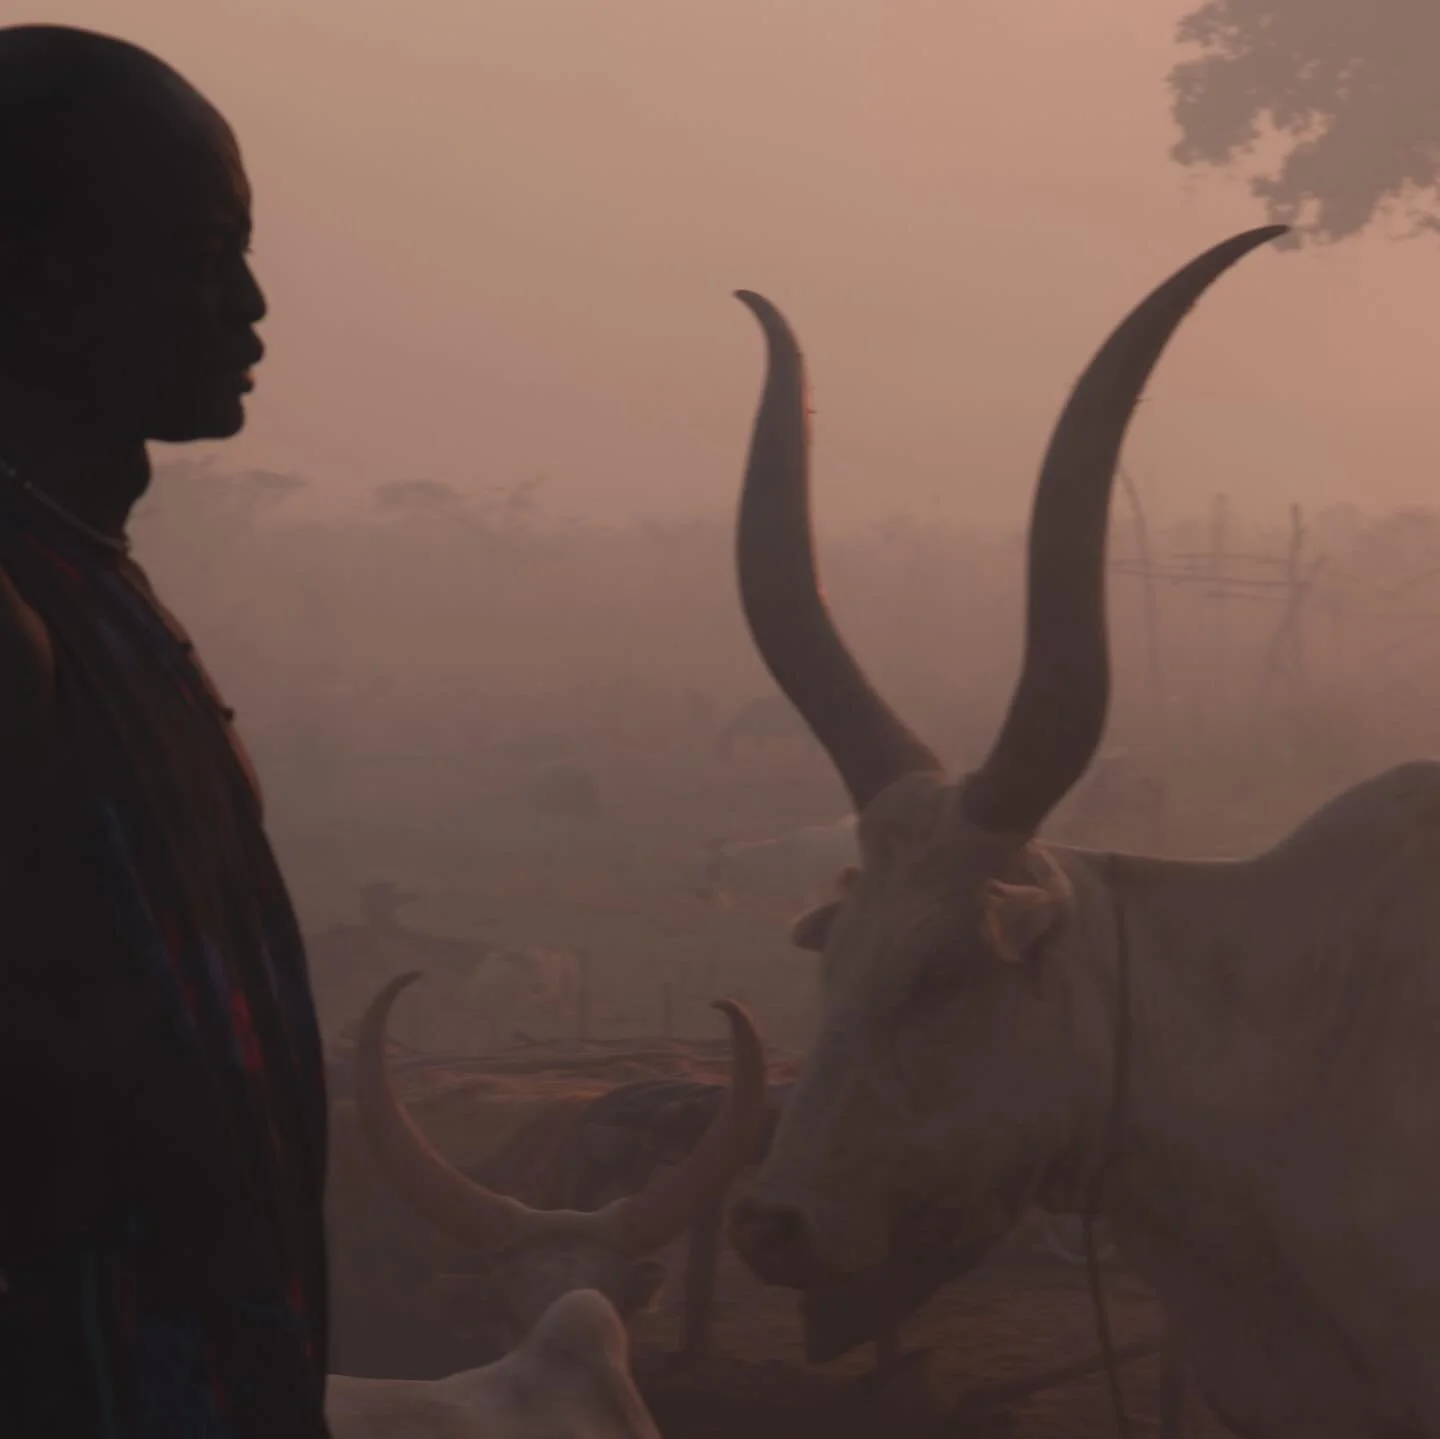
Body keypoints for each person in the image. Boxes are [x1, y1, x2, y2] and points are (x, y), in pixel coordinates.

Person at [0, 25, 330, 1438]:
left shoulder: (90, 592)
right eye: (205, 246)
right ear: (39, 268)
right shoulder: (23, 619)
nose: (252, 305)